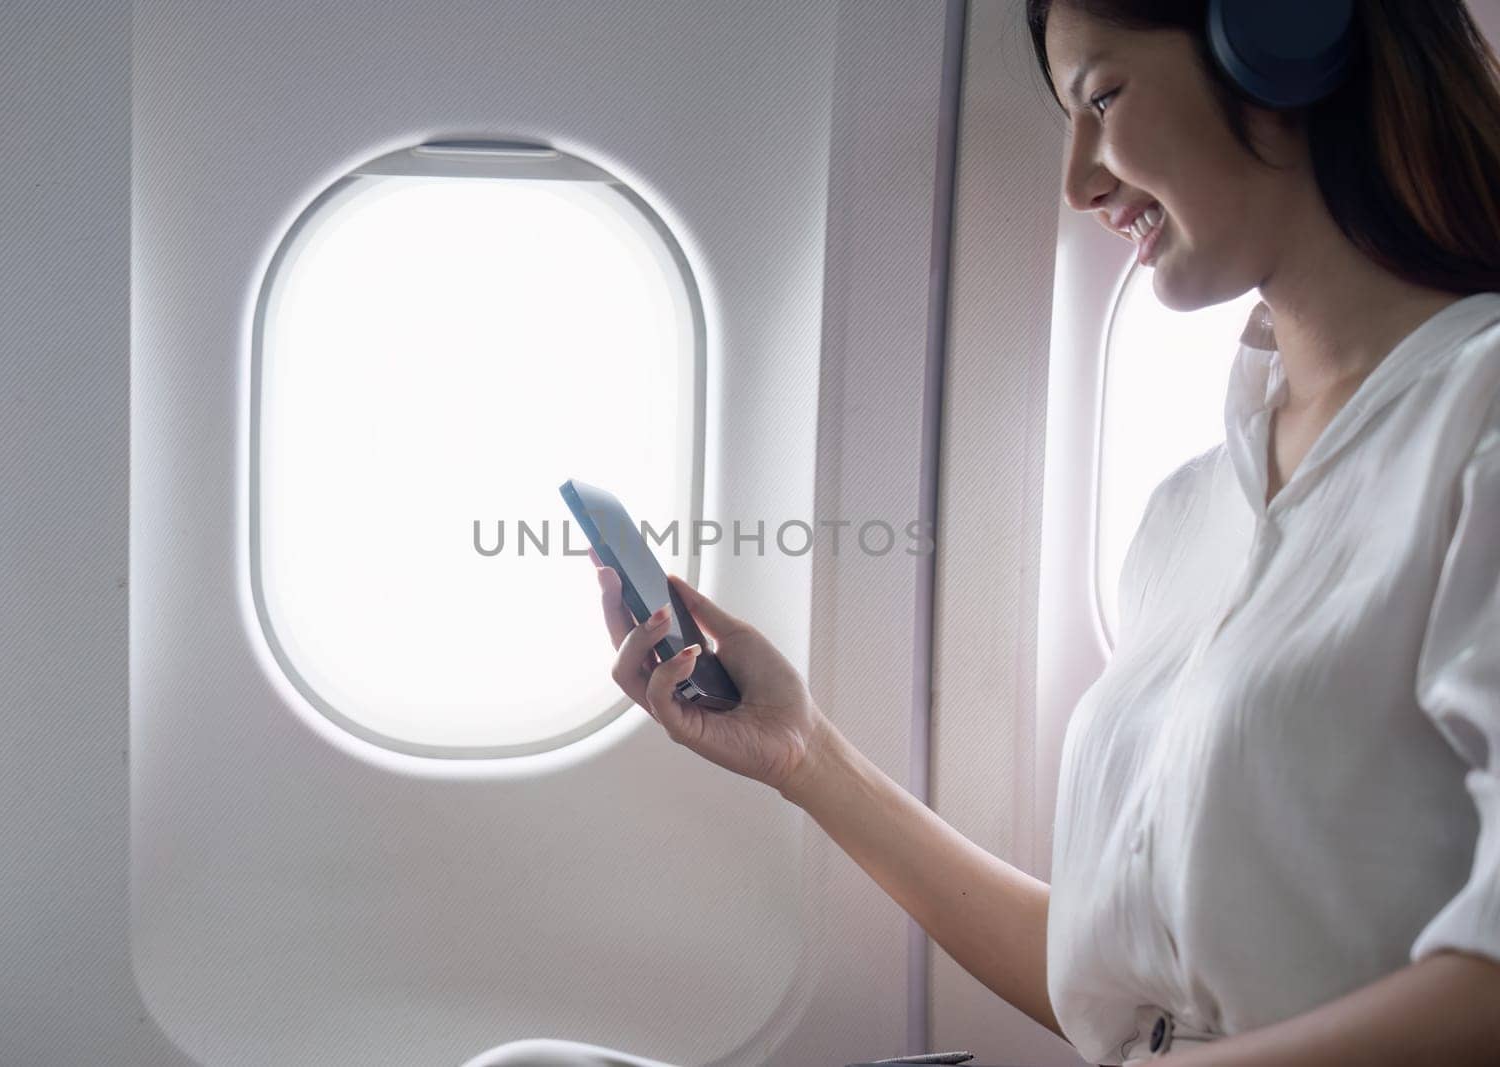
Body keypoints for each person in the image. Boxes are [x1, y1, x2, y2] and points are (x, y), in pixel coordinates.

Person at [468, 1, 1500, 1064]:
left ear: (1286, 43)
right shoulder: (1191, 512)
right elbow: (1119, 995)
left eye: (1102, 97)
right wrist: (803, 753)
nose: (1080, 183)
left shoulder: (1476, 422)